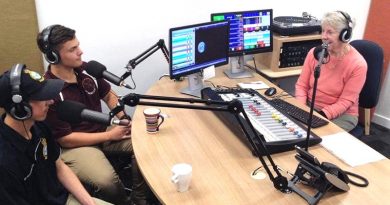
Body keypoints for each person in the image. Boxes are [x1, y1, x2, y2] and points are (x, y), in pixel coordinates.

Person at [36, 25, 149, 205]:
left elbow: (108, 94)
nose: (81, 52)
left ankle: (139, 197)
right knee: (107, 182)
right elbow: (65, 139)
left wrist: (123, 118)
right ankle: (124, 202)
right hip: (75, 146)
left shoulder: (87, 71)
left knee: (146, 144)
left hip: (103, 130)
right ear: (53, 56)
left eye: (78, 46)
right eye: (73, 49)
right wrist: (110, 135)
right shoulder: (49, 92)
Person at [0, 64, 112, 205]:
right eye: (42, 97)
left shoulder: (39, 125)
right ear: (21, 108)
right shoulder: (5, 161)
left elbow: (59, 166)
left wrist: (89, 202)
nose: (51, 101)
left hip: (62, 198)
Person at [295, 11, 367, 132]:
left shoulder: (358, 64)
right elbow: (302, 85)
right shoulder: (315, 53)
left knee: (313, 136)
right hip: (310, 106)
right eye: (323, 31)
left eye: (330, 32)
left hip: (342, 115)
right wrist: (300, 109)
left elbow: (346, 101)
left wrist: (319, 117)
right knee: (289, 126)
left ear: (345, 35)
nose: (324, 36)